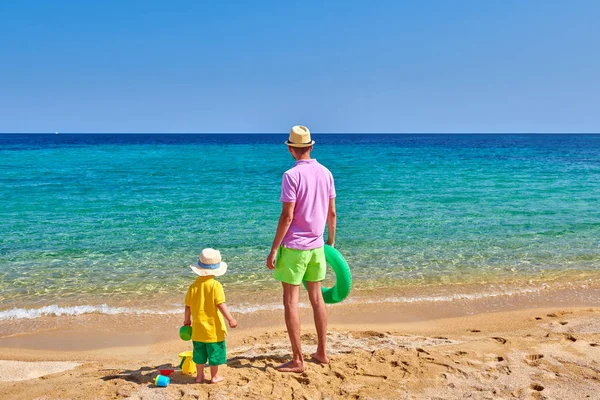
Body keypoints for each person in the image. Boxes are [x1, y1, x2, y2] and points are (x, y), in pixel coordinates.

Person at [266, 125, 337, 373]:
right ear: (311, 146)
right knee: (317, 299)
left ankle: (298, 360)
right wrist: (330, 242)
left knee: (291, 302)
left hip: (295, 248)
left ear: (290, 149)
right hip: (317, 246)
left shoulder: (291, 176)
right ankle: (322, 352)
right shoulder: (326, 172)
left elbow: (287, 217)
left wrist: (274, 249)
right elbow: (332, 212)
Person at [184, 248, 237, 383]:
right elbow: (220, 304)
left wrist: (186, 320)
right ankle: (214, 377)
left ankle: (199, 376)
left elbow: (188, 306)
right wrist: (230, 319)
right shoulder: (215, 285)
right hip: (213, 330)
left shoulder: (193, 286)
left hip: (197, 329)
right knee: (215, 354)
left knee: (199, 354)